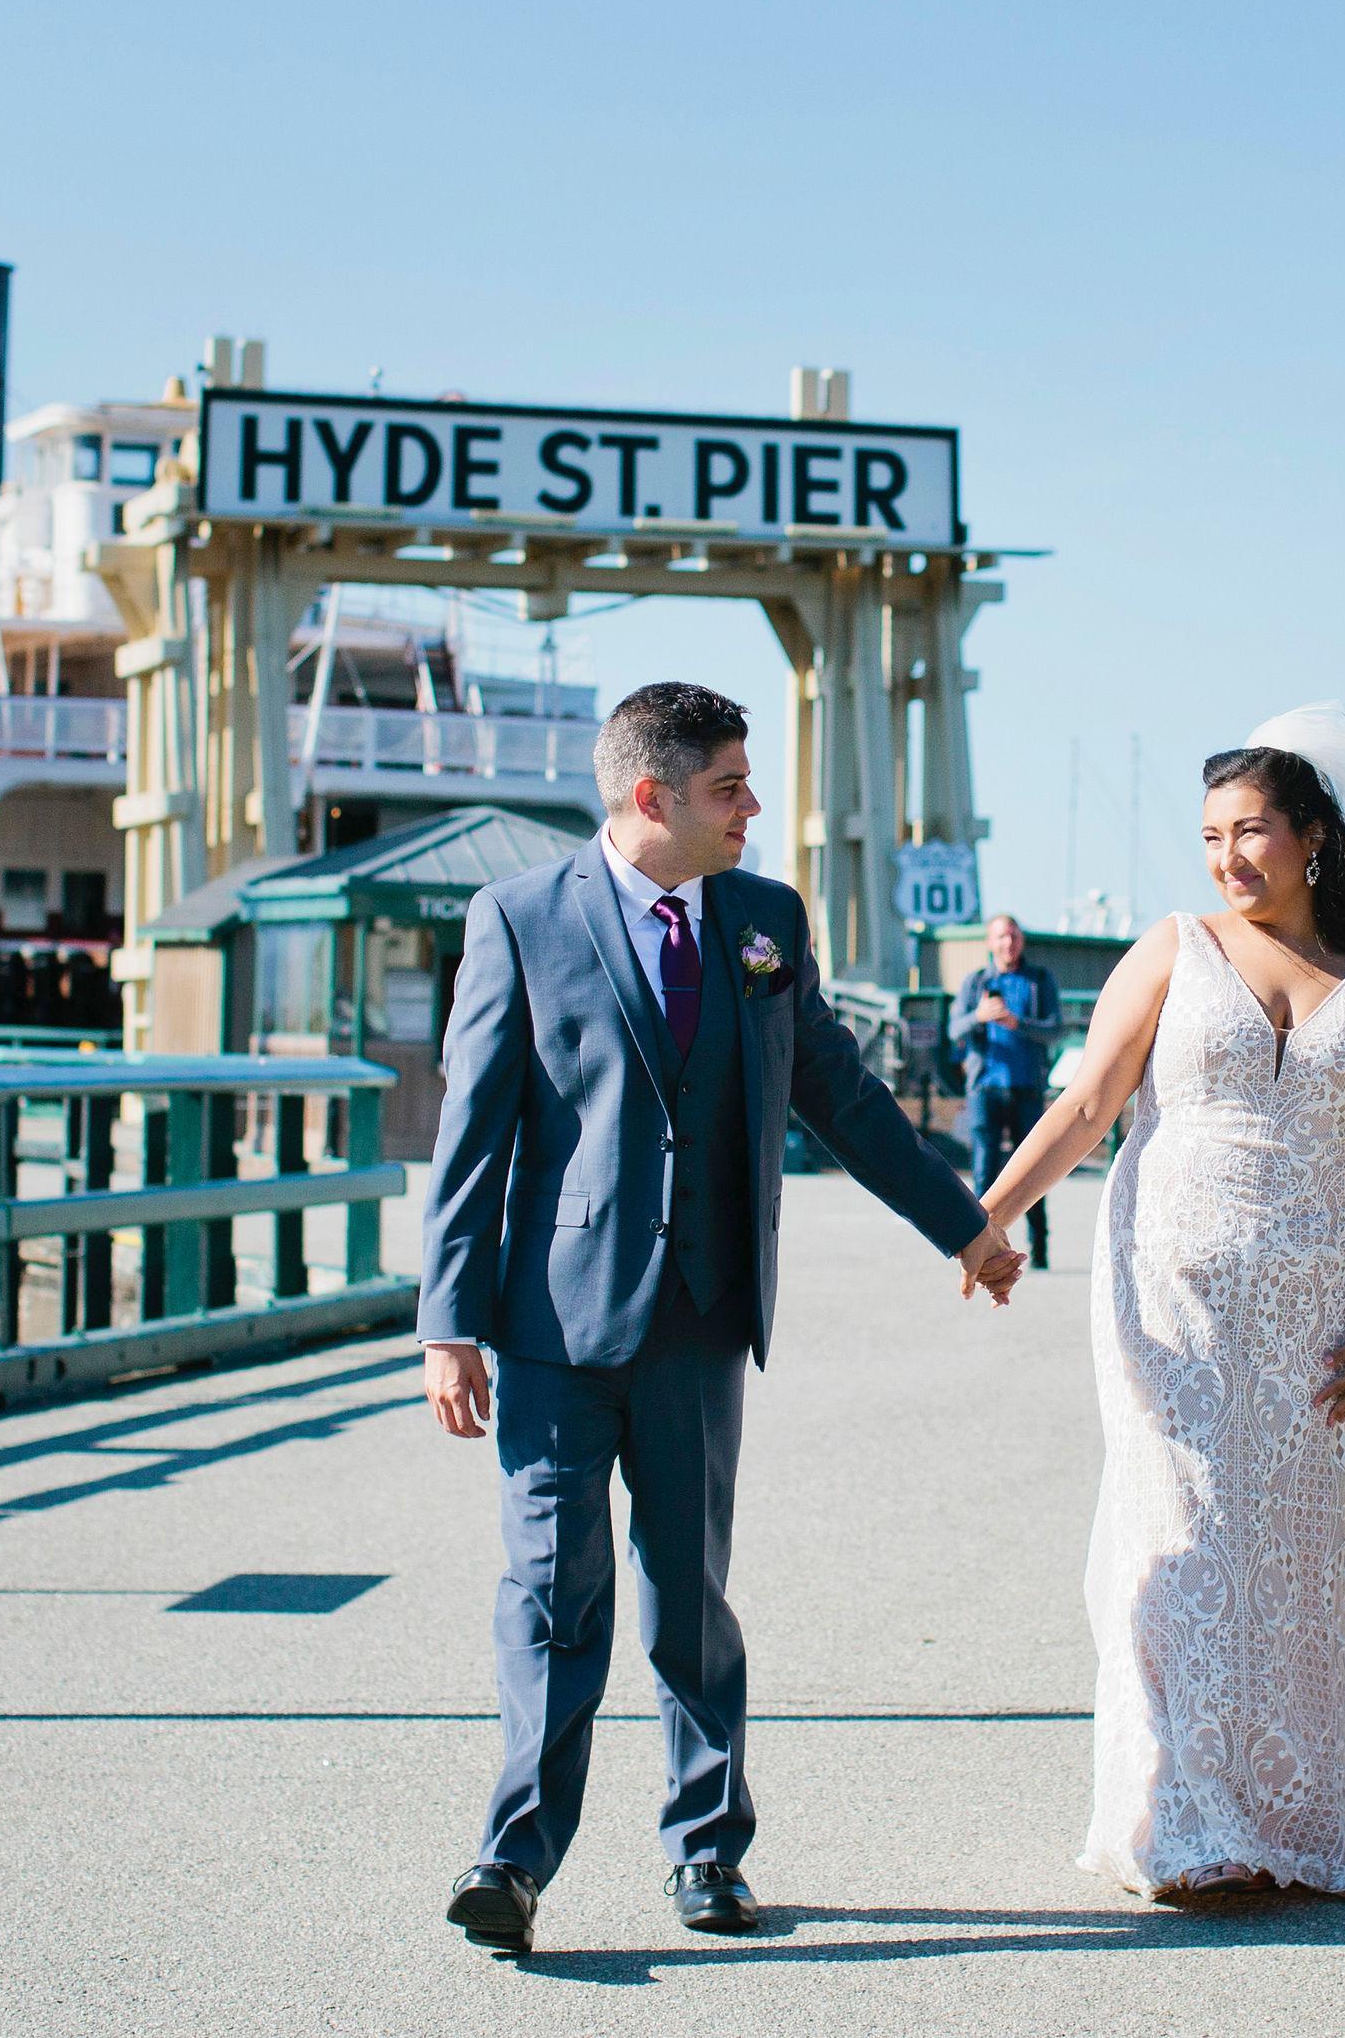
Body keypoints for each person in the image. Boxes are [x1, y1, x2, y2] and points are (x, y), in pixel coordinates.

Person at [416, 680, 1027, 1956]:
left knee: (688, 1599)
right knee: (553, 1591)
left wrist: (964, 1223)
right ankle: (512, 1860)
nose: (753, 806)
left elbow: (843, 1096)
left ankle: (706, 1849)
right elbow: (472, 1134)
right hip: (551, 1327)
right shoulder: (519, 918)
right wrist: (447, 1322)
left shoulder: (764, 920)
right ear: (653, 796)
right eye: (730, 786)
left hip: (701, 1320)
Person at [970, 743, 1345, 1903]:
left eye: (1250, 831)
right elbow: (1088, 1100)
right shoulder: (1174, 948)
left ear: (1312, 838)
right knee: (1181, 1527)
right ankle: (1182, 1817)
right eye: (1210, 837)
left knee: (1292, 1554)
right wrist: (984, 1216)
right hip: (1171, 1288)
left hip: (1318, 1310)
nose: (1228, 856)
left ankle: (1286, 1809)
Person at [949, 913, 1061, 1266]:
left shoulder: (1039, 980)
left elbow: (1055, 1029)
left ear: (1021, 940)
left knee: (1032, 1173)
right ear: (990, 942)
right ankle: (982, 1250)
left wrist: (1018, 1023)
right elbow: (953, 1029)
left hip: (1027, 1087)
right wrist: (979, 1016)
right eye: (1001, 936)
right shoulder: (976, 983)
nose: (1008, 942)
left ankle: (1039, 1248)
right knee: (984, 1171)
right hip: (986, 1088)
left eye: (1013, 935)